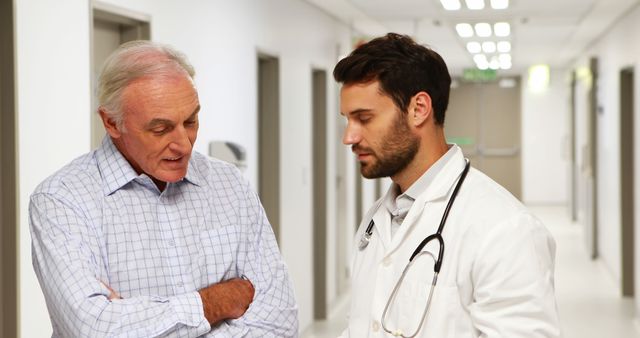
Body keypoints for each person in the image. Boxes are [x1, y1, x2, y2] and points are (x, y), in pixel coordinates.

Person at [29, 40, 298, 337]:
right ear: (111, 122)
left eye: (191, 121)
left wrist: (137, 319)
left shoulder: (229, 184)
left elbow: (279, 319)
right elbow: (94, 328)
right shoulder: (61, 201)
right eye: (160, 129)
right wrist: (215, 301)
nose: (183, 144)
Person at [334, 33, 560, 337]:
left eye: (364, 118)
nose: (349, 137)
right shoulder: (375, 222)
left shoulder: (507, 229)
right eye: (348, 120)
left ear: (419, 109)